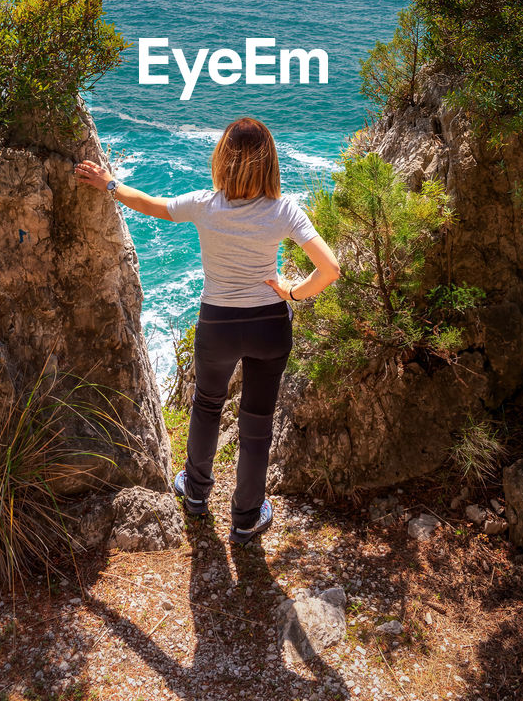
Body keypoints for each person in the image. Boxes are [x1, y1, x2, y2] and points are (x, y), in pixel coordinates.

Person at [75, 116, 341, 545]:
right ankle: (245, 519)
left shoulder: (205, 204)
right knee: (257, 423)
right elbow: (330, 269)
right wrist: (293, 292)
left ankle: (196, 494)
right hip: (269, 324)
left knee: (206, 406)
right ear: (269, 162)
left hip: (217, 323)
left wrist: (108, 183)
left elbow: (149, 204)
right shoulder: (285, 209)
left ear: (223, 159)